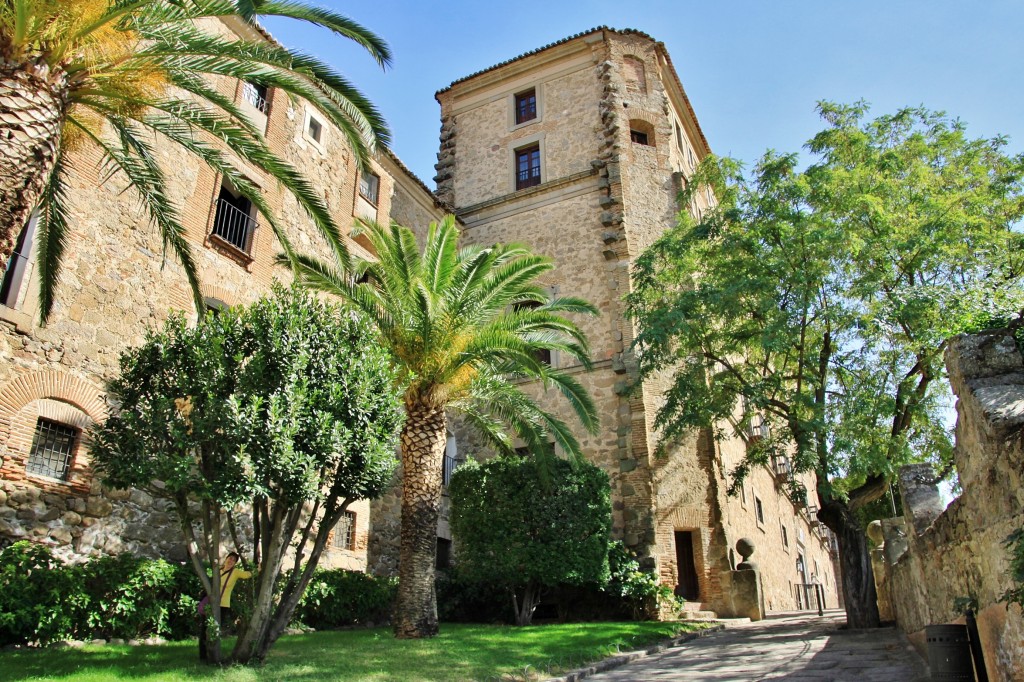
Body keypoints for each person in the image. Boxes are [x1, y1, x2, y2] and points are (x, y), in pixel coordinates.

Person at [199, 552, 252, 661]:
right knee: (204, 629)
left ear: (235, 563)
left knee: (216, 630)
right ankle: (203, 656)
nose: (231, 561)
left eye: (234, 560)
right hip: (211, 604)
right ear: (226, 558)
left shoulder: (235, 572)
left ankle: (213, 655)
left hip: (223, 605)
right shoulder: (217, 570)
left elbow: (247, 575)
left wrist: (259, 570)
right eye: (230, 558)